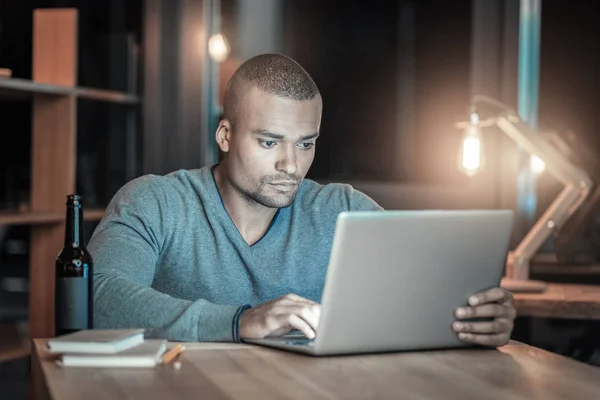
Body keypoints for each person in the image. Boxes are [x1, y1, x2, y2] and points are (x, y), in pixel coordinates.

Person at [89, 53, 516, 346]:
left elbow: (432, 286)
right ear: (225, 136)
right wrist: (240, 322)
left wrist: (479, 316)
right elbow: (98, 297)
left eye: (306, 143)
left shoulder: (342, 210)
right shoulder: (154, 202)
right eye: (270, 141)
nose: (290, 165)